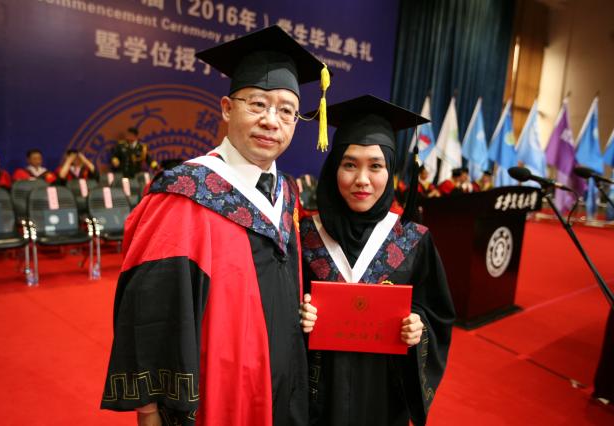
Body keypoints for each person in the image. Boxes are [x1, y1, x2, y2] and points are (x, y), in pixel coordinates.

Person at [101, 25, 330, 426]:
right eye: (257, 104)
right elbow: (151, 312)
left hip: (285, 386)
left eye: (286, 111)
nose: (271, 121)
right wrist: (149, 410)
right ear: (227, 108)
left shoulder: (287, 194)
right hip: (220, 393)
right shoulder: (184, 193)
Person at [299, 95, 455, 426]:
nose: (362, 180)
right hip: (317, 397)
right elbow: (274, 311)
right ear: (333, 168)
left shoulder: (412, 240)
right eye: (349, 164)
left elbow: (437, 312)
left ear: (390, 170)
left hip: (382, 397)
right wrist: (299, 313)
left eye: (375, 166)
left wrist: (418, 325)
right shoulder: (305, 235)